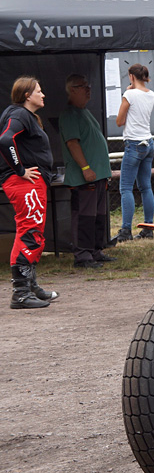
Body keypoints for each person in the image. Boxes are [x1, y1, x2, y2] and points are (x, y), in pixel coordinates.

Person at [1, 76, 57, 308]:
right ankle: (21, 294)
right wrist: (21, 170)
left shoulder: (22, 115)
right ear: (27, 95)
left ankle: (30, 286)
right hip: (24, 183)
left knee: (34, 231)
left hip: (30, 183)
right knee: (30, 232)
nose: (43, 95)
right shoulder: (20, 114)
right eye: (39, 91)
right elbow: (5, 140)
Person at [60, 74, 116, 269]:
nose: (88, 89)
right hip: (85, 176)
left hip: (98, 175)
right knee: (84, 216)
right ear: (72, 90)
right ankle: (82, 255)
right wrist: (85, 168)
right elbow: (72, 143)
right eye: (83, 86)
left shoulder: (84, 112)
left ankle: (95, 250)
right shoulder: (69, 114)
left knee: (98, 216)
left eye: (88, 85)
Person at [114, 63, 154, 242]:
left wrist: (128, 91)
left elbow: (119, 120)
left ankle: (125, 230)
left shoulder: (129, 94)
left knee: (125, 188)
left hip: (133, 144)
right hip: (149, 143)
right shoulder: (151, 94)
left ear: (131, 76)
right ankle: (148, 227)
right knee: (145, 186)